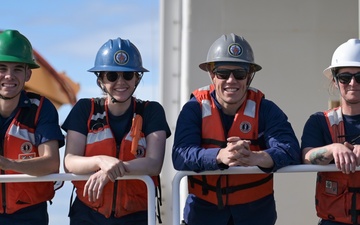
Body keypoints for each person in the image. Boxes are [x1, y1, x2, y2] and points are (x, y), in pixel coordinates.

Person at [172, 33, 301, 225]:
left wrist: (256, 158)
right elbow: (180, 155)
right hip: (202, 215)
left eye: (239, 73)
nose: (231, 80)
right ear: (211, 75)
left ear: (249, 77)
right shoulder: (194, 109)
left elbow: (290, 150)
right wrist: (219, 156)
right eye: (223, 73)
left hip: (255, 216)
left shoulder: (266, 109)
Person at [62, 37, 171, 225]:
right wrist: (101, 161)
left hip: (136, 215)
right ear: (101, 81)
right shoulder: (84, 109)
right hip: (87, 214)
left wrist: (111, 170)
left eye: (128, 75)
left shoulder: (152, 111)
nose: (121, 82)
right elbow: (70, 161)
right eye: (112, 76)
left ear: (137, 78)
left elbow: (154, 164)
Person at [0, 29, 64, 225]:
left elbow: (51, 163)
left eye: (17, 69)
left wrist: (9, 164)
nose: (9, 76)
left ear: (28, 74)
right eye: (2, 68)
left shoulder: (42, 108)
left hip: (29, 215)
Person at [301, 39, 360, 225]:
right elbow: (306, 156)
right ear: (335, 81)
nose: (352, 83)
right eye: (344, 77)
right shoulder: (319, 122)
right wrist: (333, 149)